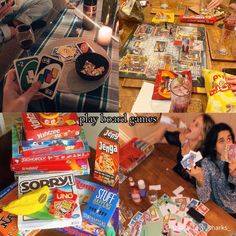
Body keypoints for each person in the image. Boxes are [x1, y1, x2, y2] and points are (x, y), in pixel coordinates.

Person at [187, 123, 236, 218]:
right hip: (221, 209)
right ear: (214, 146)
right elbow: (204, 198)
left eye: (229, 139)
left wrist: (234, 174)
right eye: (221, 141)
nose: (227, 144)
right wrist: (200, 179)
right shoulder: (207, 163)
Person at [154, 114, 215, 184]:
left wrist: (180, 130)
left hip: (189, 187)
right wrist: (167, 122)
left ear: (201, 136)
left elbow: (184, 167)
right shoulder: (185, 140)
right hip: (176, 177)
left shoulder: (199, 154)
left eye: (196, 125)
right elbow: (157, 140)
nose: (191, 124)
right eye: (193, 121)